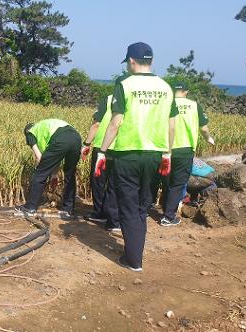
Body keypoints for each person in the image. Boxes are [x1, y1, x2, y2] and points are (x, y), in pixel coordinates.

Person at [94, 42, 178, 272]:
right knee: (143, 206)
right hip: (154, 155)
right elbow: (172, 126)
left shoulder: (125, 84)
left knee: (129, 207)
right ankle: (135, 254)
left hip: (127, 154)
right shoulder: (165, 87)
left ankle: (133, 260)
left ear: (131, 61)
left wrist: (102, 151)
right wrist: (167, 152)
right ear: (151, 61)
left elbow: (116, 122)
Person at [160, 82, 214, 226]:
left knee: (166, 180)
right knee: (177, 183)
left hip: (165, 148)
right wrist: (208, 138)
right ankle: (168, 216)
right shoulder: (194, 105)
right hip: (185, 149)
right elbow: (203, 128)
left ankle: (162, 208)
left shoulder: (165, 104)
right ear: (186, 91)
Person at [16, 119, 82, 220]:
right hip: (76, 138)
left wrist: (39, 168)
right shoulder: (47, 125)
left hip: (60, 139)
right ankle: (68, 209)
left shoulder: (30, 132)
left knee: (39, 174)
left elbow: (39, 157)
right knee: (70, 173)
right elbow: (56, 157)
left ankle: (30, 208)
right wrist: (54, 175)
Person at [82, 95, 121, 231]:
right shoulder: (134, 98)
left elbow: (97, 124)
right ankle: (113, 219)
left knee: (98, 181)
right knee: (115, 184)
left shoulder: (109, 99)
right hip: (122, 148)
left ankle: (100, 213)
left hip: (102, 147)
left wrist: (86, 143)